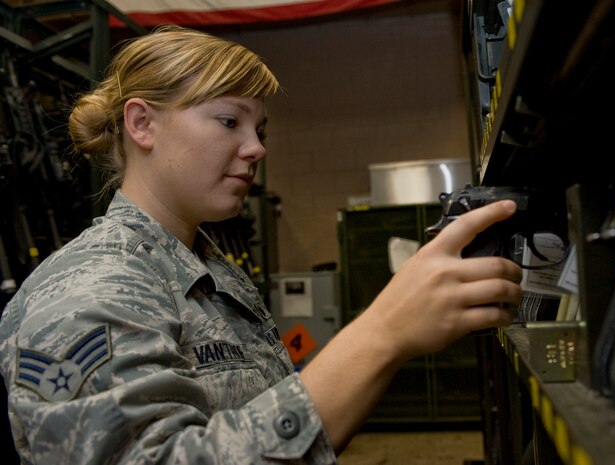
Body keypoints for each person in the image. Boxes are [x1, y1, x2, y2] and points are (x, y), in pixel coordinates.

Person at [0, 25, 523, 465]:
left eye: (259, 128)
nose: (256, 148)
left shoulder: (210, 268)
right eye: (229, 121)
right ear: (142, 124)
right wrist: (382, 334)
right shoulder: (93, 288)